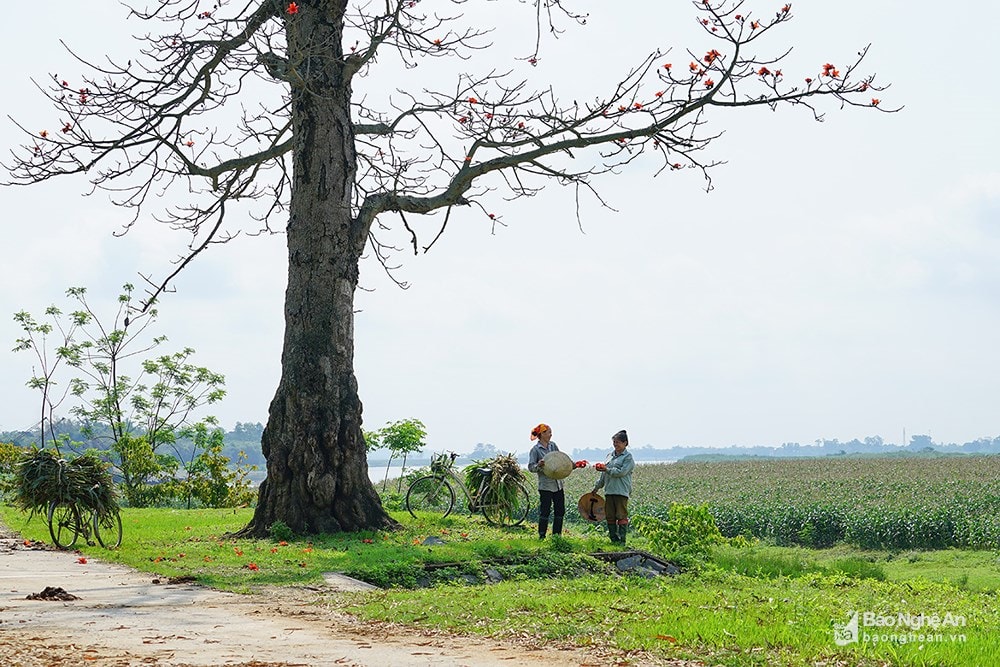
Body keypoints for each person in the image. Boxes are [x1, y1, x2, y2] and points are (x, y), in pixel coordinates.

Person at [592, 429, 635, 545]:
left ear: (625, 443)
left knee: (621, 514)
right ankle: (613, 539)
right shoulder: (609, 456)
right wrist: (596, 487)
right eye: (614, 442)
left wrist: (607, 469)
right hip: (609, 490)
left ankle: (622, 540)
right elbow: (604, 475)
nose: (615, 445)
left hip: (621, 490)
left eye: (618, 442)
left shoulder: (628, 457)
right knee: (610, 515)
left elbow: (621, 472)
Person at [527, 423, 565, 539]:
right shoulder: (535, 450)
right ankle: (542, 535)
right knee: (545, 510)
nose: (550, 434)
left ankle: (556, 536)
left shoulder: (553, 446)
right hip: (546, 485)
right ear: (542, 434)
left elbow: (560, 459)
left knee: (560, 510)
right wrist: (539, 465)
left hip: (558, 484)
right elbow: (531, 467)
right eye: (548, 432)